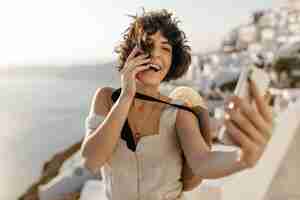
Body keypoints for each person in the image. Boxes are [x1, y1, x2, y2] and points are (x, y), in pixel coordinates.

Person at [80, 9, 273, 200]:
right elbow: (91, 160)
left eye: (165, 48)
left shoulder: (179, 112)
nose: (155, 54)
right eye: (147, 45)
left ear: (172, 61)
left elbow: (203, 162)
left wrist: (242, 159)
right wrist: (126, 96)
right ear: (131, 54)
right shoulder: (106, 99)